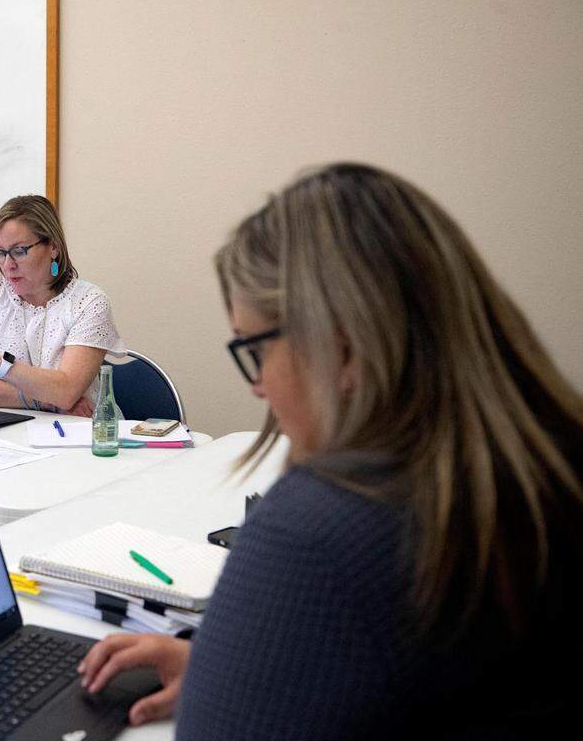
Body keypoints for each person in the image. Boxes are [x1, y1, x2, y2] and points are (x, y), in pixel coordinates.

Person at [78, 163, 582, 737]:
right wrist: (240, 668)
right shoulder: (545, 469)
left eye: (255, 349)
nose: (257, 386)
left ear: (340, 345)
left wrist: (230, 680)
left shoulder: (324, 527)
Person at [0, 195, 125, 415]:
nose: (7, 265)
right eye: (0, 253)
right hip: (7, 432)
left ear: (53, 247)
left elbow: (66, 391)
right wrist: (44, 401)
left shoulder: (89, 302)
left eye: (19, 251)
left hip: (84, 432)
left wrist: (0, 364)